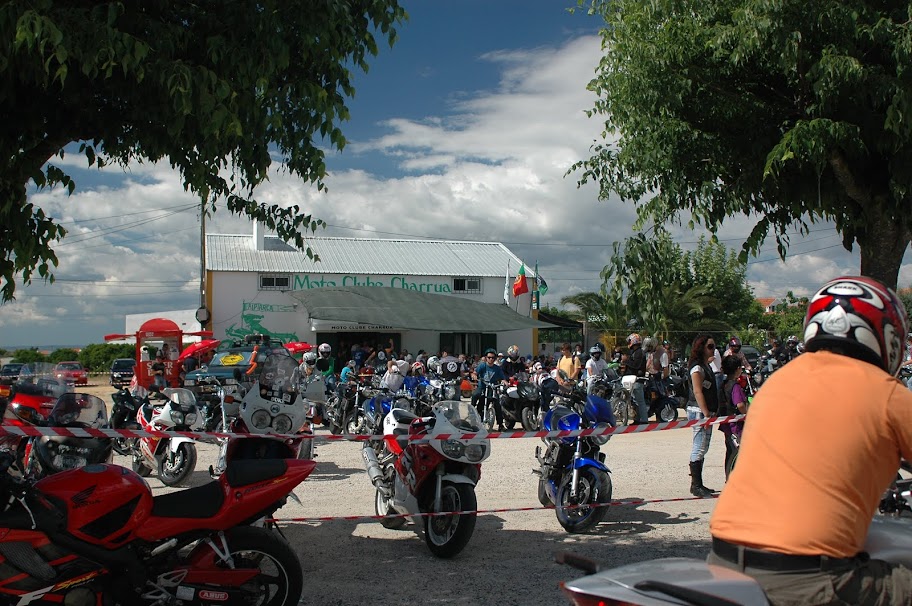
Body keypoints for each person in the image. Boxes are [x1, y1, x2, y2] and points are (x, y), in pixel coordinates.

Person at [709, 276, 912, 605]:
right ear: (887, 336)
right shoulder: (887, 393)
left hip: (723, 563)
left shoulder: (777, 382)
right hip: (808, 579)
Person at [685, 334, 719, 497]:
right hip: (699, 412)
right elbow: (698, 391)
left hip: (707, 412)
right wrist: (706, 414)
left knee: (704, 447)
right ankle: (696, 485)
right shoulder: (697, 368)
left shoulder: (707, 365)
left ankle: (700, 484)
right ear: (701, 348)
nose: (713, 349)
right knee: (698, 447)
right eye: (710, 346)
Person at [719, 354, 748, 479]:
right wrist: (747, 413)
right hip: (735, 425)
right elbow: (740, 404)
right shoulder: (735, 386)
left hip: (726, 424)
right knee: (739, 452)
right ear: (737, 369)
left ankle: (729, 477)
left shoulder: (723, 384)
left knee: (730, 452)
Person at [470, 348, 508, 430]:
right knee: (475, 394)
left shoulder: (497, 368)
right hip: (482, 387)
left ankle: (500, 424)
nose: (491, 359)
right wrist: (474, 376)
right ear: (486, 358)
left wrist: (504, 381)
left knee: (497, 404)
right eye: (489, 357)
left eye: (493, 358)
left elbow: (502, 378)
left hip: (492, 388)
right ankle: (471, 410)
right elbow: (475, 373)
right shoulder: (482, 366)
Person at [625, 333, 648, 423]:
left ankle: (644, 420)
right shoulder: (634, 352)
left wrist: (626, 361)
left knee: (640, 401)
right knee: (634, 401)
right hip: (632, 379)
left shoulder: (639, 352)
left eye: (630, 341)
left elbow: (636, 365)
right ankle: (637, 419)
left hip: (637, 379)